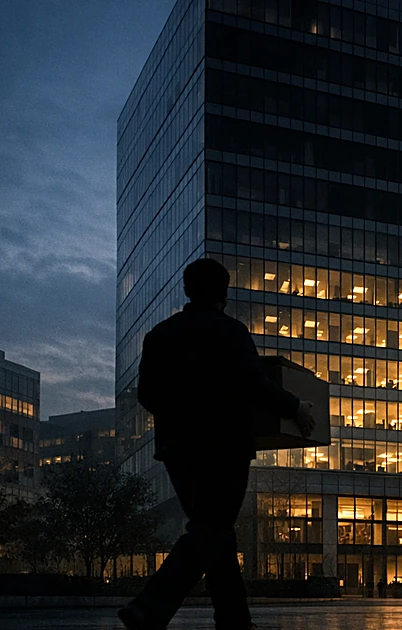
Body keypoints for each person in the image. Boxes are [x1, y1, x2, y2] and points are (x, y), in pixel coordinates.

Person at [118, 258, 316, 630]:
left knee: (214, 529)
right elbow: (254, 383)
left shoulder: (159, 335)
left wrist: (181, 414)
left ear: (186, 290)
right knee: (212, 528)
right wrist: (296, 407)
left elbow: (147, 395)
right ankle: (150, 606)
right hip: (225, 445)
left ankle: (234, 618)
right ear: (223, 293)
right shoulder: (230, 331)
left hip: (178, 449)